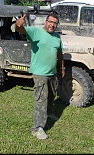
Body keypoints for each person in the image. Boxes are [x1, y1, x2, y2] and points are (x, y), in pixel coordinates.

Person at [15, 12, 65, 140]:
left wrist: (62, 67)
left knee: (51, 95)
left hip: (53, 72)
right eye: (50, 22)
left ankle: (49, 113)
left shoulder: (57, 37)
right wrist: (17, 25)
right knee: (41, 100)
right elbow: (21, 30)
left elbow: (59, 53)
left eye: (55, 23)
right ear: (46, 22)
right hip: (40, 73)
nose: (52, 25)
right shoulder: (35, 32)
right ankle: (37, 128)